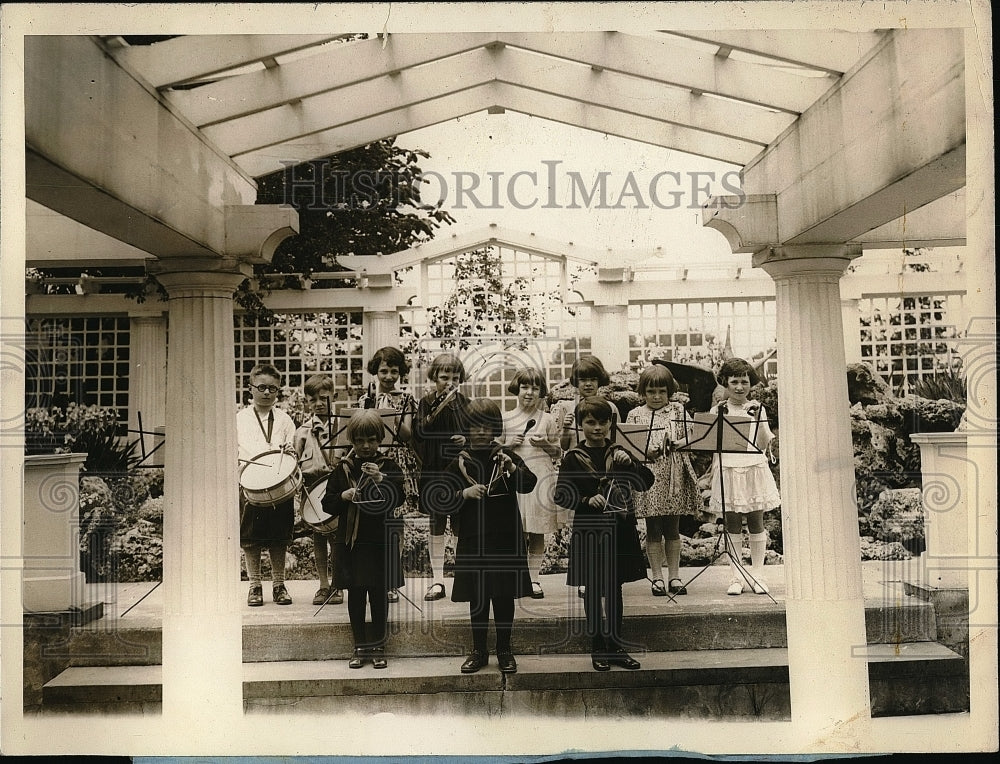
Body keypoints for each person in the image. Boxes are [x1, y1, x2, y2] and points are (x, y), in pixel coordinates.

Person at [555, 396, 653, 672]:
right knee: (594, 589)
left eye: (603, 422)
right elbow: (561, 494)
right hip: (589, 531)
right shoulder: (574, 458)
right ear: (581, 425)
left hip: (619, 529)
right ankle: (598, 646)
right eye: (590, 422)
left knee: (614, 590)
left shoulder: (620, 452)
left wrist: (632, 464)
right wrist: (586, 500)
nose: (597, 428)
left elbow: (646, 482)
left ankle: (616, 646)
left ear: (611, 423)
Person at [441, 398, 537, 674]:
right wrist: (464, 494)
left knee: (504, 595)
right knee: (478, 596)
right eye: (475, 426)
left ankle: (504, 649)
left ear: (495, 428)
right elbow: (440, 498)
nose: (481, 432)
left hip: (505, 538)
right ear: (467, 430)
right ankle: (479, 650)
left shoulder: (505, 456)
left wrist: (511, 468)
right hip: (474, 539)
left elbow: (528, 484)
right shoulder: (460, 462)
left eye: (487, 426)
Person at [323, 409, 405, 669]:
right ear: (352, 441)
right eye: (359, 441)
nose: (366, 446)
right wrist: (344, 496)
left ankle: (379, 645)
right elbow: (327, 504)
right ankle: (360, 645)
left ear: (380, 438)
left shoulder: (389, 466)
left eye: (371, 439)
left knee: (379, 595)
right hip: (350, 543)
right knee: (356, 595)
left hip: (380, 540)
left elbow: (400, 498)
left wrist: (381, 479)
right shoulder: (343, 469)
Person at [625, 363, 703, 596]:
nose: (657, 396)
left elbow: (693, 434)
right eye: (651, 392)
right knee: (653, 527)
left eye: (662, 391)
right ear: (643, 392)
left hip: (673, 473)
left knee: (672, 526)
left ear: (670, 391)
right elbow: (630, 445)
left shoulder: (678, 410)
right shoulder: (635, 414)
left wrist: (678, 443)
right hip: (649, 475)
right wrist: (646, 452)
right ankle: (657, 577)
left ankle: (675, 576)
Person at [704, 358, 780, 596]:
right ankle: (736, 576)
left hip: (752, 468)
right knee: (732, 524)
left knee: (756, 521)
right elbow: (709, 442)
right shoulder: (717, 410)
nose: (739, 387)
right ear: (725, 383)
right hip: (728, 468)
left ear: (751, 383)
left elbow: (764, 443)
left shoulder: (758, 408)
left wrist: (757, 417)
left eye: (744, 382)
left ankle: (758, 575)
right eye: (734, 381)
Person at [549, 355, 616, 598]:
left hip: (604, 470)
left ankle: (608, 574)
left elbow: (616, 441)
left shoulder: (611, 407)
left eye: (593, 379)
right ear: (575, 382)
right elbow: (563, 446)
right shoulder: (566, 407)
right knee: (582, 528)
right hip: (579, 472)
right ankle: (584, 578)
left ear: (601, 381)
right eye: (583, 379)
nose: (588, 384)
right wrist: (566, 427)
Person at [358, 346, 419, 604]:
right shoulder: (365, 399)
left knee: (394, 524)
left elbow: (407, 435)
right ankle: (373, 578)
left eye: (394, 371)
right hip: (371, 461)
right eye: (384, 370)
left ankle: (392, 581)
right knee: (372, 522)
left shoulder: (406, 399)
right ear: (375, 371)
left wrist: (391, 416)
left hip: (396, 463)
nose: (389, 376)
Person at [237, 363, 297, 607]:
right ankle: (254, 586)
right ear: (250, 389)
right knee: (250, 536)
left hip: (278, 483)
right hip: (249, 482)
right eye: (261, 387)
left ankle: (279, 584)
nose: (267, 393)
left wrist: (290, 451)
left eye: (273, 389)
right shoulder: (239, 419)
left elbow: (292, 450)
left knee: (279, 536)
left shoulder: (284, 420)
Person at [502, 367, 563, 599]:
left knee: (537, 531)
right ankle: (516, 577)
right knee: (516, 530)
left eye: (535, 388)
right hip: (515, 478)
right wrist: (509, 443)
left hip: (540, 478)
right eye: (525, 387)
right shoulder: (506, 417)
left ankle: (533, 579)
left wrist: (545, 444)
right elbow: (495, 449)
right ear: (517, 389)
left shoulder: (546, 419)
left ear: (541, 392)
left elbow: (558, 451)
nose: (529, 392)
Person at [413, 353, 469, 602]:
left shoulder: (466, 403)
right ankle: (437, 580)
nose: (449, 382)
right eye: (444, 377)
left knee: (459, 523)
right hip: (435, 467)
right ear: (434, 377)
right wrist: (439, 407)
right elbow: (421, 430)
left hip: (457, 469)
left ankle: (461, 578)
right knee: (436, 522)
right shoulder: (426, 402)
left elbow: (475, 432)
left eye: (455, 378)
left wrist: (465, 439)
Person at [293, 374, 343, 607]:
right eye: (313, 400)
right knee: (319, 538)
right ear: (307, 402)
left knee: (338, 539)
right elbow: (296, 464)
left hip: (337, 489)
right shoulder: (302, 431)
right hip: (313, 491)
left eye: (324, 398)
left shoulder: (343, 426)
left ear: (333, 396)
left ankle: (338, 585)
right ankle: (323, 585)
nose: (319, 404)